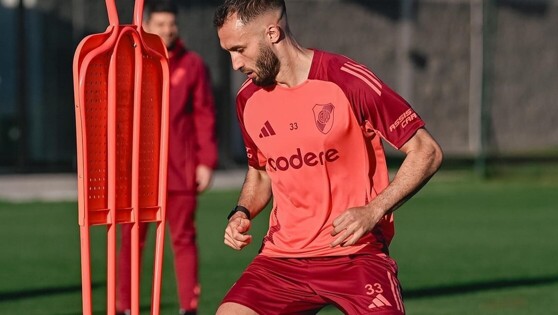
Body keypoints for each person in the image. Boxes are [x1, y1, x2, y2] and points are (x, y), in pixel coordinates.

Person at [212, 0, 443, 314]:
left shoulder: (346, 80)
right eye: (228, 52)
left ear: (272, 33)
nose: (235, 63)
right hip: (282, 262)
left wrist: (373, 210)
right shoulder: (248, 99)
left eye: (239, 49)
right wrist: (241, 211)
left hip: (355, 255)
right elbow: (260, 172)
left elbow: (426, 151)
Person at [116, 2, 218, 315]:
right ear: (146, 24)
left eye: (171, 24)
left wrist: (206, 161)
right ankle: (125, 306)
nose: (167, 30)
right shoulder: (128, 61)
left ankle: (189, 308)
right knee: (132, 241)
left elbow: (205, 115)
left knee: (184, 239)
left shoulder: (193, 65)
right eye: (160, 24)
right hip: (137, 172)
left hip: (180, 171)